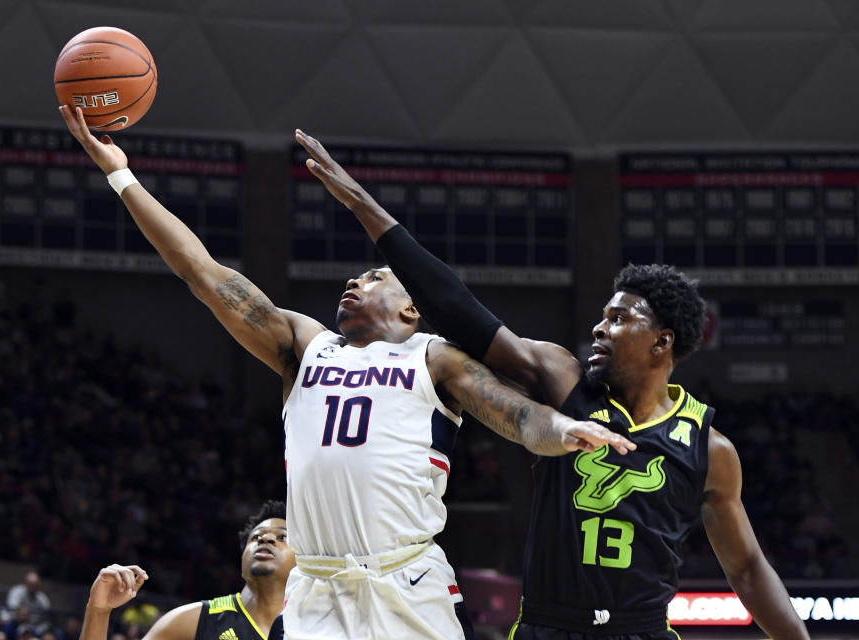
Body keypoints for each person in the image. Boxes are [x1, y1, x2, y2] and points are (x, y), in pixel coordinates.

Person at [59, 105, 634, 640]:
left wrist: (564, 432)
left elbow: (520, 415)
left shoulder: (434, 357)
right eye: (356, 277)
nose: (355, 282)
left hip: (406, 583)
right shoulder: (304, 346)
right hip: (315, 589)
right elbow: (203, 273)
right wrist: (122, 177)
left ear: (412, 308)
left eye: (374, 276)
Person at [296, 129, 810, 640]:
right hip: (548, 627)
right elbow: (460, 311)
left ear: (662, 342)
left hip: (640, 630)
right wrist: (364, 205)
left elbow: (746, 570)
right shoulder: (562, 378)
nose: (599, 328)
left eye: (618, 319)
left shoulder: (708, 447)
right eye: (602, 317)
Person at [79, 500, 294, 640]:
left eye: (282, 537)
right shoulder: (191, 621)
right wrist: (98, 611)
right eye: (255, 537)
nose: (265, 538)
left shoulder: (318, 626)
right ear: (243, 557)